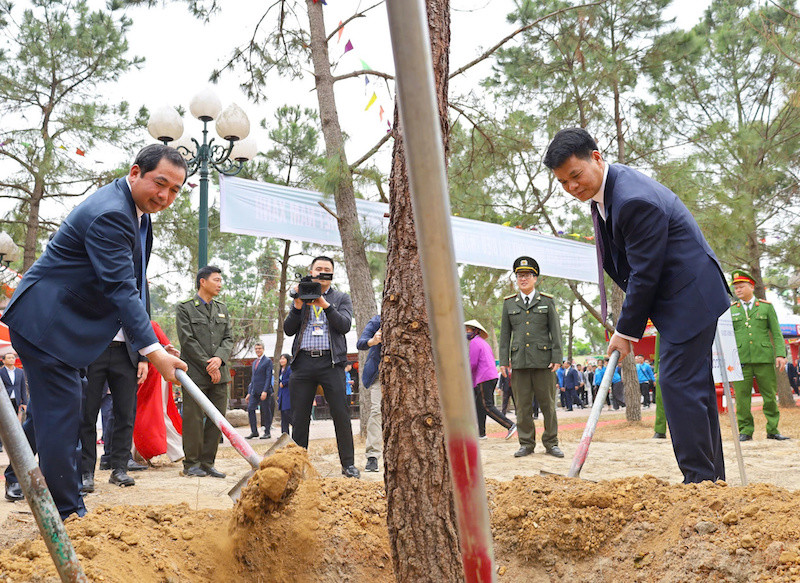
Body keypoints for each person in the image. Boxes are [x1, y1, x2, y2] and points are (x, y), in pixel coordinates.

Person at [0, 144, 187, 518]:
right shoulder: (112, 214)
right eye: (160, 183)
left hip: (68, 327)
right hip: (47, 323)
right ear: (135, 172)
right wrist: (153, 351)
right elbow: (121, 289)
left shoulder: (138, 212)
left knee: (54, 410)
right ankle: (68, 513)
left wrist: (152, 344)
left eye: (175, 190)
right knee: (64, 416)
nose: (165, 196)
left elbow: (136, 285)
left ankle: (23, 477)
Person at [544, 128, 730, 484]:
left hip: (690, 298)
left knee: (677, 387)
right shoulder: (608, 194)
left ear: (596, 157)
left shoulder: (632, 200)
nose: (572, 187)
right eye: (563, 182)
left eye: (575, 176)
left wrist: (626, 331)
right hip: (681, 298)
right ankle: (711, 482)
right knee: (694, 390)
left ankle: (699, 482)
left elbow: (645, 273)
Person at [284, 256, 359, 478]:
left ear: (332, 274)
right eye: (319, 268)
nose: (322, 272)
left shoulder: (340, 298)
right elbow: (288, 329)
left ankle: (348, 465)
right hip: (303, 362)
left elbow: (344, 325)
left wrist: (325, 305)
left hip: (331, 363)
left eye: (327, 269)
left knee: (341, 414)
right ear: (311, 272)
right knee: (299, 417)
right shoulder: (302, 294)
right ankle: (298, 468)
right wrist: (298, 305)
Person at [498, 256, 564, 459]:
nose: (523, 279)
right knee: (522, 406)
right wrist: (503, 361)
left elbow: (556, 332)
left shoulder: (546, 301)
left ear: (535, 278)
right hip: (519, 363)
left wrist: (557, 357)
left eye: (527, 275)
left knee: (548, 405)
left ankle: (551, 443)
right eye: (519, 276)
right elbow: (504, 335)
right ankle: (526, 444)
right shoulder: (509, 303)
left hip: (544, 363)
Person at [175, 265, 234, 478]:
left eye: (220, 280)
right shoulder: (185, 308)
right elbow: (187, 340)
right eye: (216, 280)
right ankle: (192, 464)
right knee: (193, 419)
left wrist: (218, 359)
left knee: (217, 419)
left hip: (220, 373)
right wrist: (208, 365)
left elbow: (228, 338)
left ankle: (208, 463)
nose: (220, 284)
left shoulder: (222, 308)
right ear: (203, 281)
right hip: (195, 374)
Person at [729, 270, 789, 442]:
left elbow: (776, 333)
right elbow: (728, 336)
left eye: (741, 287)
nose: (738, 290)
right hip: (740, 360)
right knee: (742, 398)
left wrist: (780, 354)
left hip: (764, 358)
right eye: (736, 288)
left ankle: (773, 430)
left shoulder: (766, 307)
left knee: (769, 396)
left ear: (751, 287)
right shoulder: (731, 310)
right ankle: (745, 431)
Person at [133, 321, 184, 463]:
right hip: (142, 377)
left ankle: (175, 450)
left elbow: (166, 348)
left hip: (154, 376)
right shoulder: (135, 325)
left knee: (156, 412)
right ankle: (137, 453)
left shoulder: (151, 325)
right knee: (145, 413)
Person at [466, 320, 517, 440]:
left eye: (468, 330)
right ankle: (481, 433)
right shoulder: (483, 343)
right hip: (490, 376)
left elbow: (472, 364)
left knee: (487, 406)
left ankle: (510, 425)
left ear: (475, 331)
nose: (466, 333)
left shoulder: (474, 342)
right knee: (479, 406)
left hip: (484, 377)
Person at [356, 314, 382, 473]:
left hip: (408, 375)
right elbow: (361, 343)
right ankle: (373, 456)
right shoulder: (377, 321)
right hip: (380, 375)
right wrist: (373, 341)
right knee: (376, 411)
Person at [245, 342, 273, 439]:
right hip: (254, 391)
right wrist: (249, 392)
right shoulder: (254, 362)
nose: (258, 350)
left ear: (263, 349)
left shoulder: (268, 361)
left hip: (264, 391)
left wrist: (265, 391)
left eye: (259, 348)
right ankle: (254, 431)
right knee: (250, 409)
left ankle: (267, 432)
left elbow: (269, 377)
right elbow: (253, 378)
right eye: (256, 348)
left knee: (265, 411)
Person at [276, 354, 293, 435]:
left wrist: (284, 382)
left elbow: (291, 378)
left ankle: (297, 428)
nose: (281, 360)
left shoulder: (289, 368)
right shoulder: (281, 370)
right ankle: (284, 434)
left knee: (287, 413)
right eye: (281, 359)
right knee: (283, 416)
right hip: (282, 394)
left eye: (283, 359)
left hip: (288, 394)